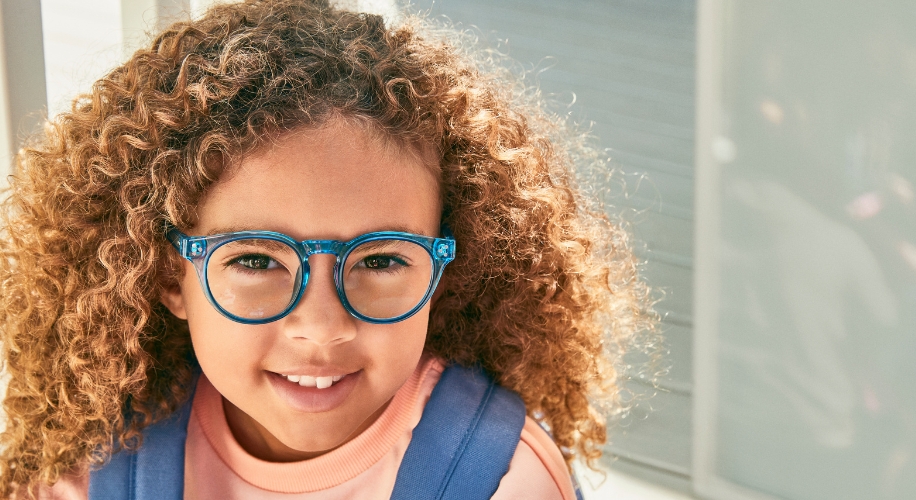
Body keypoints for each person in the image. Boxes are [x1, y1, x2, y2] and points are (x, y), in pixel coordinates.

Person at [0, 0, 654, 498]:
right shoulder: (95, 458)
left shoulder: (499, 481)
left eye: (380, 260)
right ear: (172, 276)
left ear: (446, 272)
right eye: (255, 261)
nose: (320, 327)